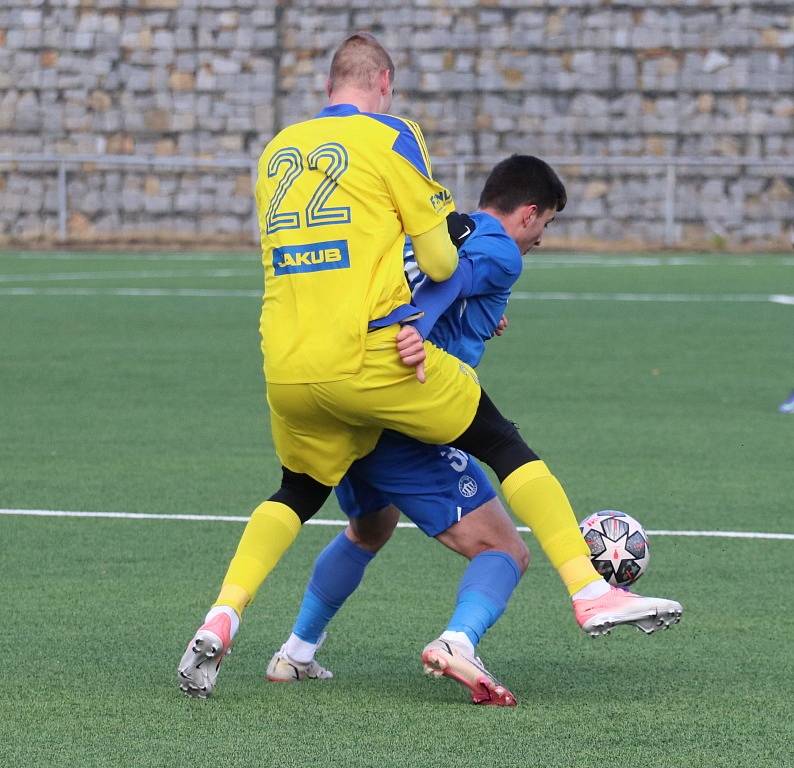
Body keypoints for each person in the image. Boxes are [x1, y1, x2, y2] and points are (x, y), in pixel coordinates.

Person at [178, 32, 683, 700]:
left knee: (316, 500)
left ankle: (240, 619)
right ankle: (583, 593)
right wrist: (413, 321)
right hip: (376, 365)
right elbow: (443, 262)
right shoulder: (395, 139)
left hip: (289, 365)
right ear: (382, 81)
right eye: (545, 226)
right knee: (502, 461)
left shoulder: (275, 152)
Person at [264, 156, 564, 707]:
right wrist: (417, 329)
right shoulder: (496, 248)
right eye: (545, 225)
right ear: (527, 214)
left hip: (349, 402)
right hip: (406, 415)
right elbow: (453, 279)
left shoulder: (434, 234)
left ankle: (296, 653)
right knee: (505, 550)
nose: (540, 239)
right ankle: (459, 641)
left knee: (370, 527)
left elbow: (425, 278)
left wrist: (475, 318)